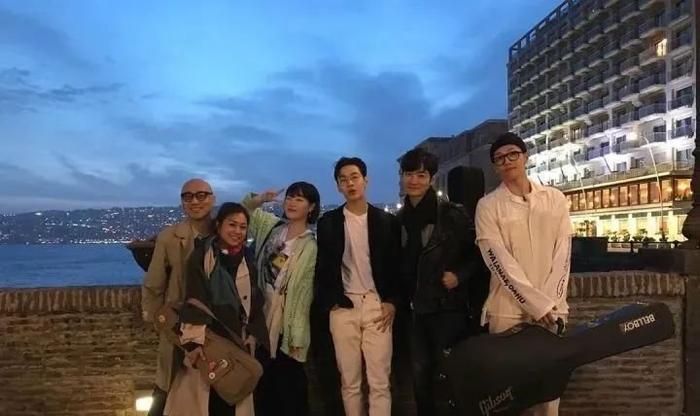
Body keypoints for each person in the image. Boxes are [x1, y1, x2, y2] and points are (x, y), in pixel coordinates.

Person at [474, 132, 573, 416]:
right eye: (499, 158)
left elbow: (563, 254)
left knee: (549, 395)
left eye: (512, 154)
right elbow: (498, 261)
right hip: (506, 310)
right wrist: (535, 305)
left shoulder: (554, 198)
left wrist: (550, 304)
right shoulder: (488, 205)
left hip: (553, 310)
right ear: (495, 166)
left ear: (525, 157)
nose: (507, 161)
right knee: (509, 395)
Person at [395, 148, 482, 416]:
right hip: (414, 311)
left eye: (421, 175)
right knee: (419, 376)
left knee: (451, 373)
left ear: (431, 179)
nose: (414, 181)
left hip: (447, 308)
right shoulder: (398, 220)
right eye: (408, 174)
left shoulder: (452, 214)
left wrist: (459, 276)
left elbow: (478, 255)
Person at [164, 202, 269, 416]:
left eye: (242, 227)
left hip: (238, 339)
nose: (237, 231)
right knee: (206, 398)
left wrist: (254, 333)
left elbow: (256, 297)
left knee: (234, 395)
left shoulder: (248, 258)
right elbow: (194, 297)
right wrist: (193, 343)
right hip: (208, 339)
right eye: (232, 224)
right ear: (219, 225)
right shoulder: (203, 256)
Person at [314, 156, 401, 416]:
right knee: (349, 381)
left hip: (376, 304)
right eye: (343, 180)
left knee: (379, 381)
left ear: (365, 180)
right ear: (338, 186)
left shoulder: (386, 221)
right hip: (343, 306)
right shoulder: (329, 222)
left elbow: (396, 265)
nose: (350, 183)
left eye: (354, 177)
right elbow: (323, 267)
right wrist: (330, 302)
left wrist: (392, 301)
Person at [241, 182, 320, 416]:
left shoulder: (311, 246)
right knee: (263, 389)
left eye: (299, 199)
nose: (292, 203)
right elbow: (243, 212)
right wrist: (260, 199)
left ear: (311, 207)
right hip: (260, 319)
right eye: (289, 197)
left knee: (289, 389)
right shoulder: (271, 228)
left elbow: (305, 293)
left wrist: (298, 335)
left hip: (287, 325)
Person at [141, 178, 216, 416]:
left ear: (212, 199)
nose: (195, 201)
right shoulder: (169, 237)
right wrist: (160, 323)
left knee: (212, 391)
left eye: (201, 195)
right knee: (168, 389)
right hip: (179, 328)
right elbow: (153, 285)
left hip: (215, 328)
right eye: (188, 196)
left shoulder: (223, 232)